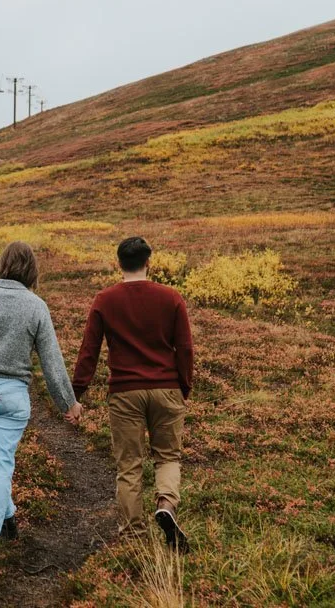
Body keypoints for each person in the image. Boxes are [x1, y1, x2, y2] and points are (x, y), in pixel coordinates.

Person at [0, 241, 83, 563]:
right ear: (32, 271)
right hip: (12, 395)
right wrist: (69, 403)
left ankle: (4, 521)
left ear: (2, 265)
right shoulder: (36, 306)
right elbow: (51, 363)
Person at [72, 235, 194, 551]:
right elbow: (184, 347)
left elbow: (89, 350)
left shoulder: (104, 299)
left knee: (129, 465)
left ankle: (134, 537)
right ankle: (166, 505)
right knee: (167, 456)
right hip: (166, 389)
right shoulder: (171, 297)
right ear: (148, 262)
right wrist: (183, 385)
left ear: (119, 264)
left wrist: (77, 392)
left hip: (125, 392)